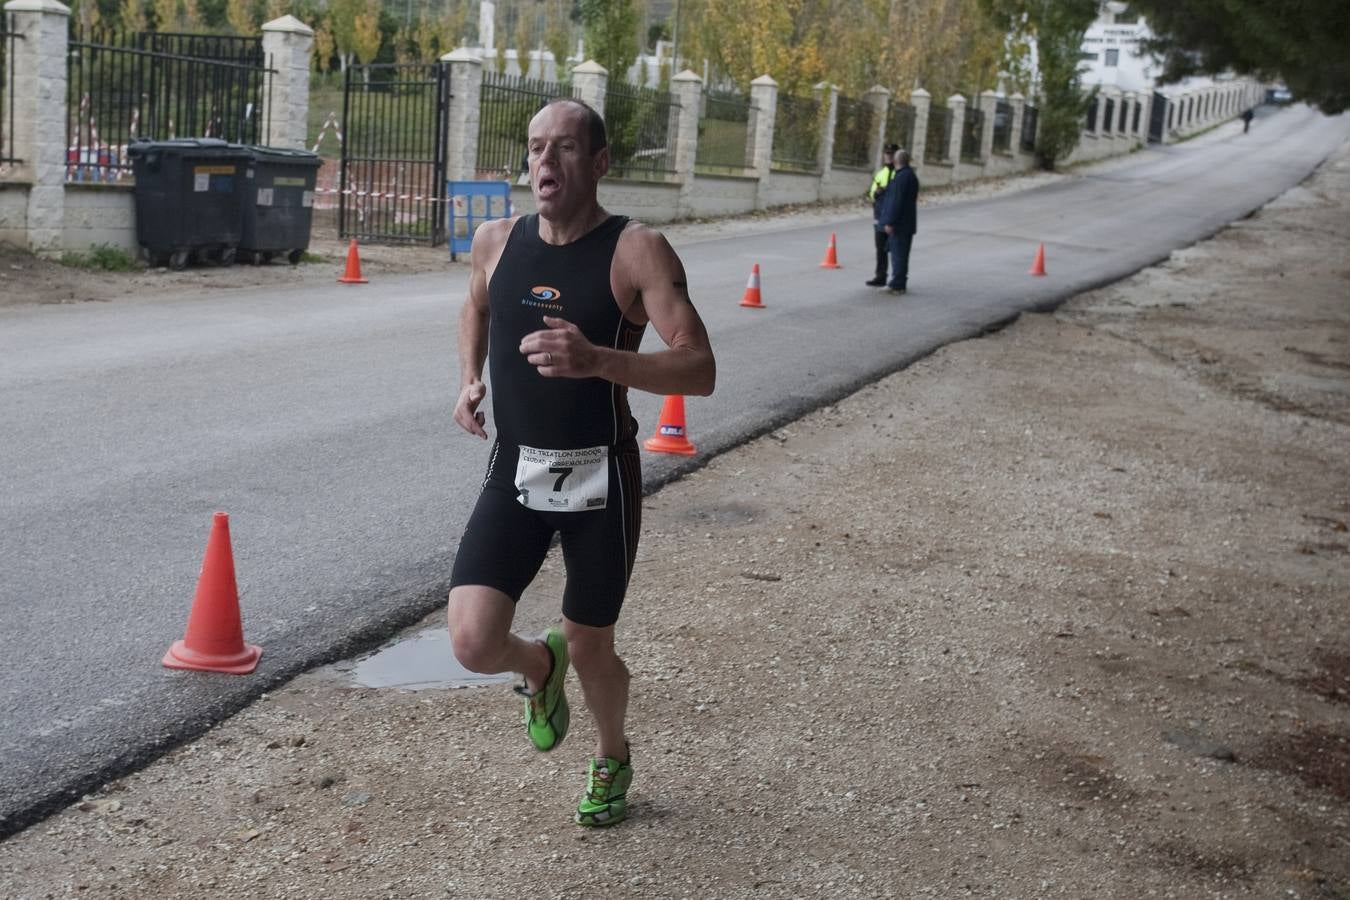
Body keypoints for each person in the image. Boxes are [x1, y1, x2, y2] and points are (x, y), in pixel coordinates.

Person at [446, 98, 716, 828]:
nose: (545, 163)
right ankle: (539, 666)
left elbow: (699, 368)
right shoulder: (496, 241)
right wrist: (469, 378)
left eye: (565, 148)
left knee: (594, 647)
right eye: (536, 148)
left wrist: (599, 359)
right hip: (516, 469)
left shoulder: (637, 250)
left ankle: (611, 755)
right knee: (471, 640)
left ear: (599, 164)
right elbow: (477, 307)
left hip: (601, 478)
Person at [879, 148, 920, 295]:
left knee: (898, 255)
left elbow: (896, 202)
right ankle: (897, 282)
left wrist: (890, 222)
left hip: (900, 225)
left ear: (896, 161)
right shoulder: (910, 176)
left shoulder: (901, 178)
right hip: (906, 223)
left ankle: (898, 284)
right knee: (900, 254)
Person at [865, 143, 899, 287]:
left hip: (894, 219)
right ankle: (880, 276)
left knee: (897, 250)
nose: (888, 156)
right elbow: (871, 194)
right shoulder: (880, 173)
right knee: (880, 249)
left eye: (891, 154)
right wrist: (876, 193)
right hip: (880, 217)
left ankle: (897, 278)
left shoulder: (901, 173)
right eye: (887, 153)